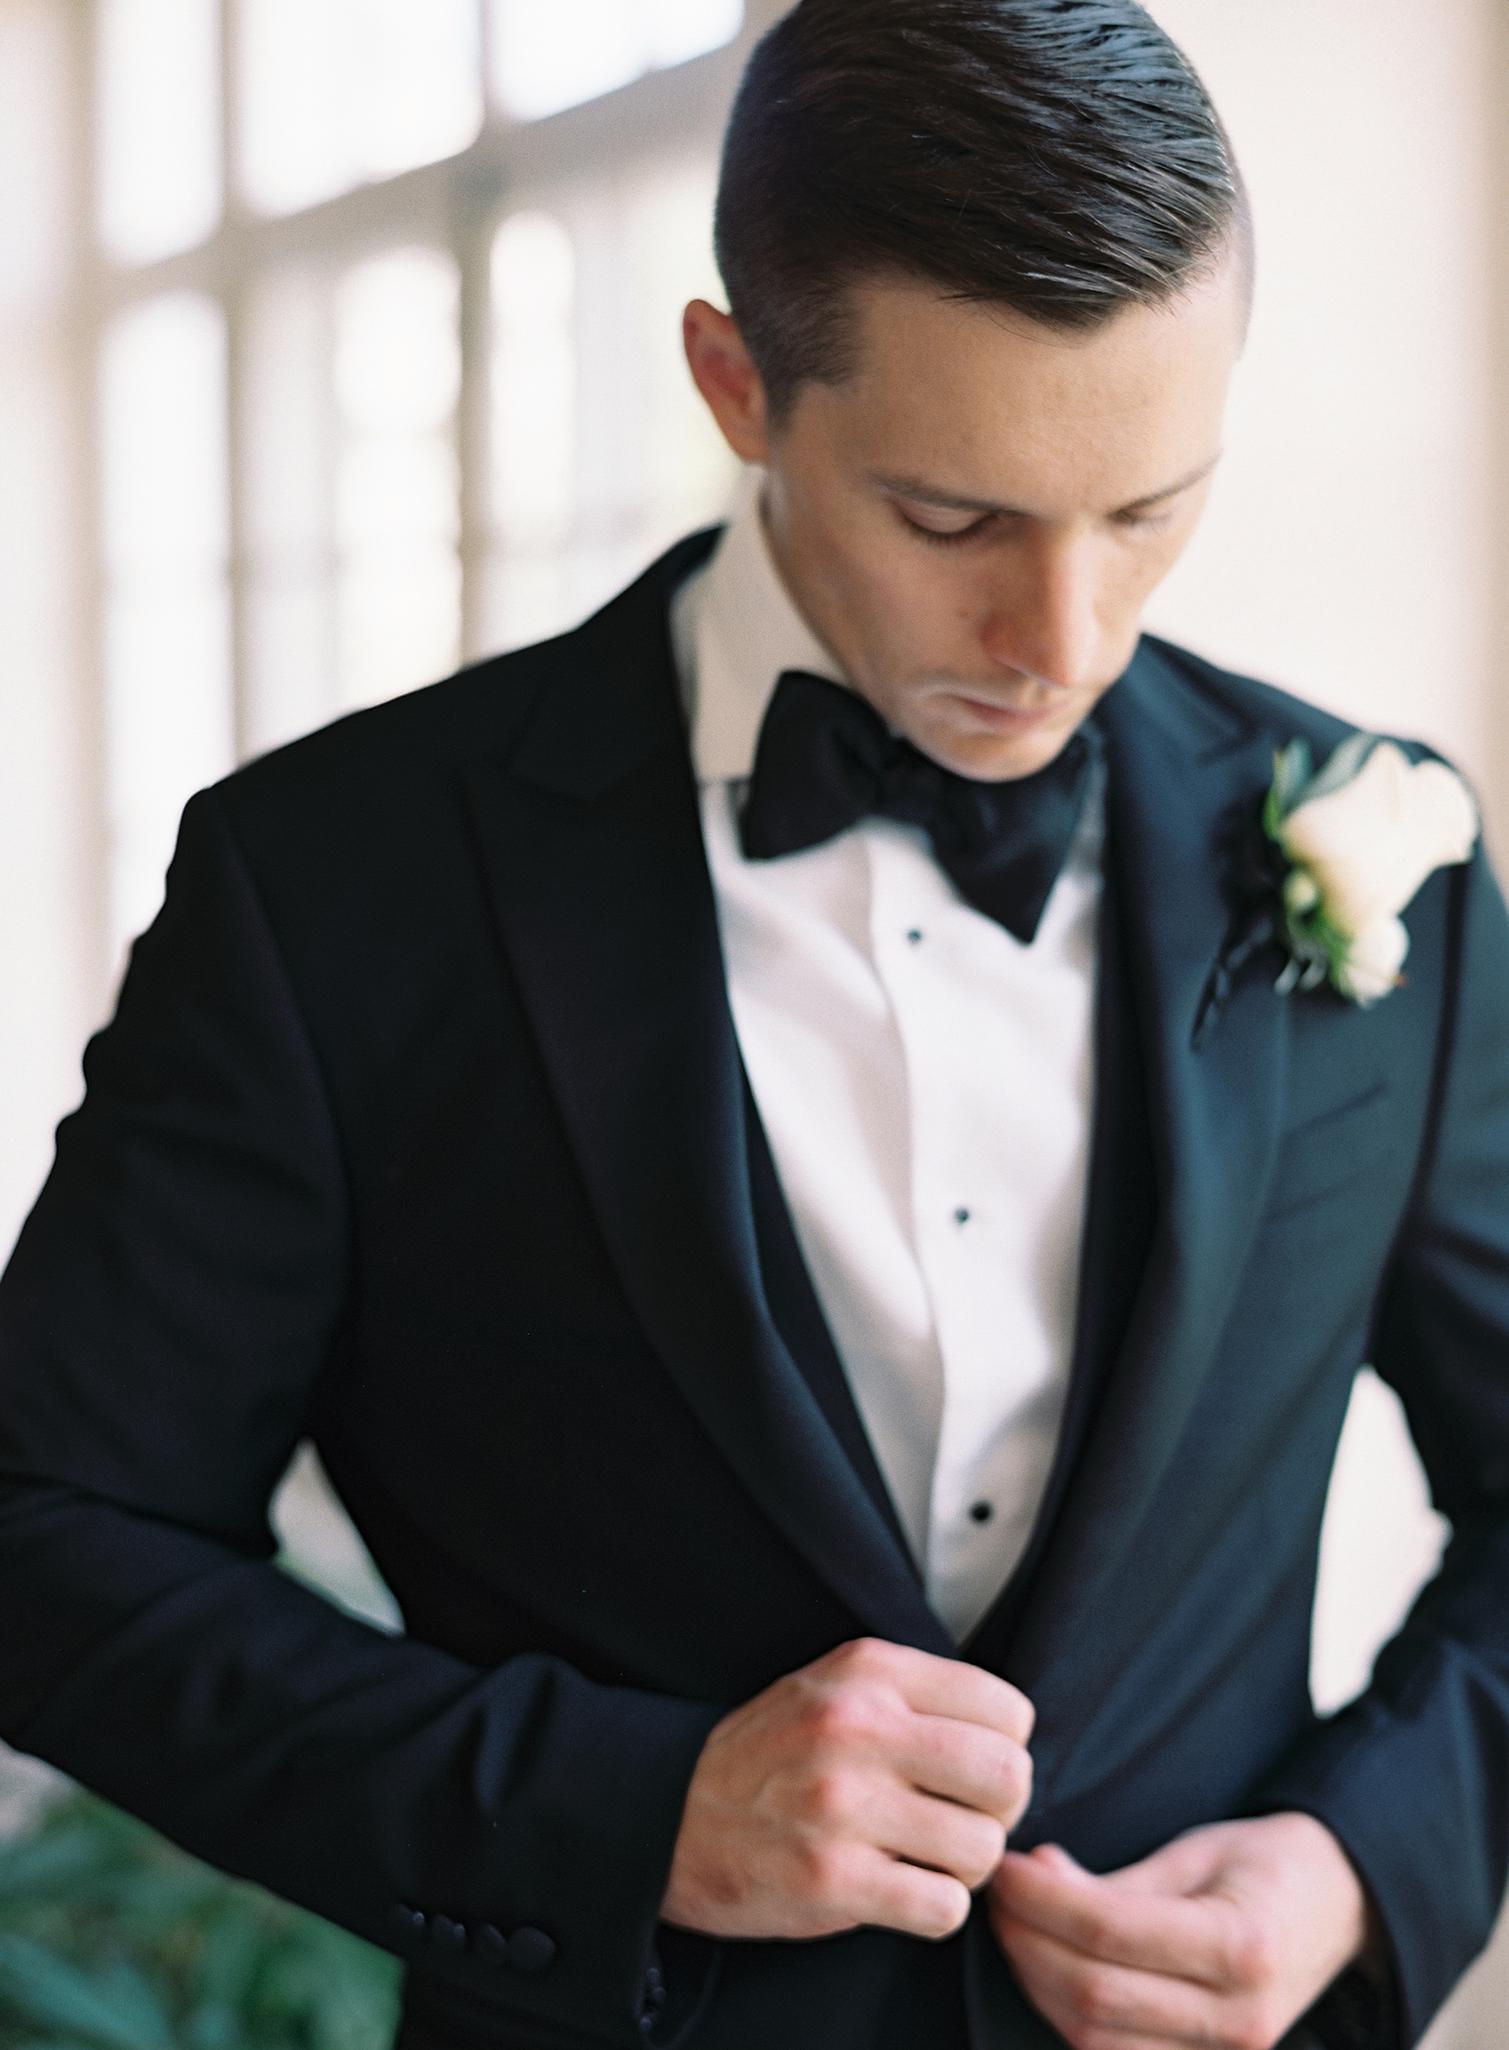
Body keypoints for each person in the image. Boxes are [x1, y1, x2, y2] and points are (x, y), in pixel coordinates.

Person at [0, 1, 1504, 2046]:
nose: (1059, 642)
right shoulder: (333, 884)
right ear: (734, 382)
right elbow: (51, 1541)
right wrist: (633, 1812)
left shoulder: (1374, 829)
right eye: (952, 519)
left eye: (1146, 507)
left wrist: (1357, 1854)